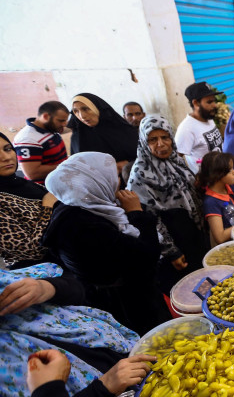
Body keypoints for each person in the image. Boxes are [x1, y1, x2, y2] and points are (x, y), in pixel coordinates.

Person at [0, 262, 155, 397]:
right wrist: (102, 389)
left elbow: (78, 289)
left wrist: (47, 287)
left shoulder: (6, 285)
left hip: (122, 356)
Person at [42, 152, 171, 335]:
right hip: (127, 307)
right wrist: (136, 213)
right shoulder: (85, 227)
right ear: (95, 183)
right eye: (115, 176)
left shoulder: (76, 206)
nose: (118, 182)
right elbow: (146, 257)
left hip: (113, 299)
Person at [127, 116, 208, 293]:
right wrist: (172, 252)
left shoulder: (176, 161)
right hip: (174, 238)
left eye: (165, 137)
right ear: (143, 142)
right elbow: (149, 221)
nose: (161, 144)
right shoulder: (140, 175)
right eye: (153, 139)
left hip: (193, 231)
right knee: (190, 287)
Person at [0, 132, 59, 269]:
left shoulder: (24, 183)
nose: (6, 157)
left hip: (68, 259)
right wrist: (47, 208)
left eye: (8, 149)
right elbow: (32, 251)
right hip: (41, 275)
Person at [69, 93, 138, 177]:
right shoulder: (78, 137)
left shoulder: (124, 130)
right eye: (76, 111)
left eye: (86, 109)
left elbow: (145, 157)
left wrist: (128, 163)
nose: (81, 116)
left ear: (98, 108)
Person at [197, 151, 234, 245]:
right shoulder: (211, 202)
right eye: (229, 170)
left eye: (233, 168)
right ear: (216, 175)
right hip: (233, 244)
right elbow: (220, 237)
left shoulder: (230, 186)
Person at [13, 101, 69, 185]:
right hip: (45, 187)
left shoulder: (50, 128)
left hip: (61, 180)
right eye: (61, 121)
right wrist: (68, 165)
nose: (64, 124)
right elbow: (32, 173)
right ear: (46, 116)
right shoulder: (27, 139)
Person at [174, 82, 224, 174]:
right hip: (207, 183)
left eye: (214, 101)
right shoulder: (186, 129)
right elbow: (176, 159)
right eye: (209, 102)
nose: (214, 105)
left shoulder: (208, 118)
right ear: (196, 103)